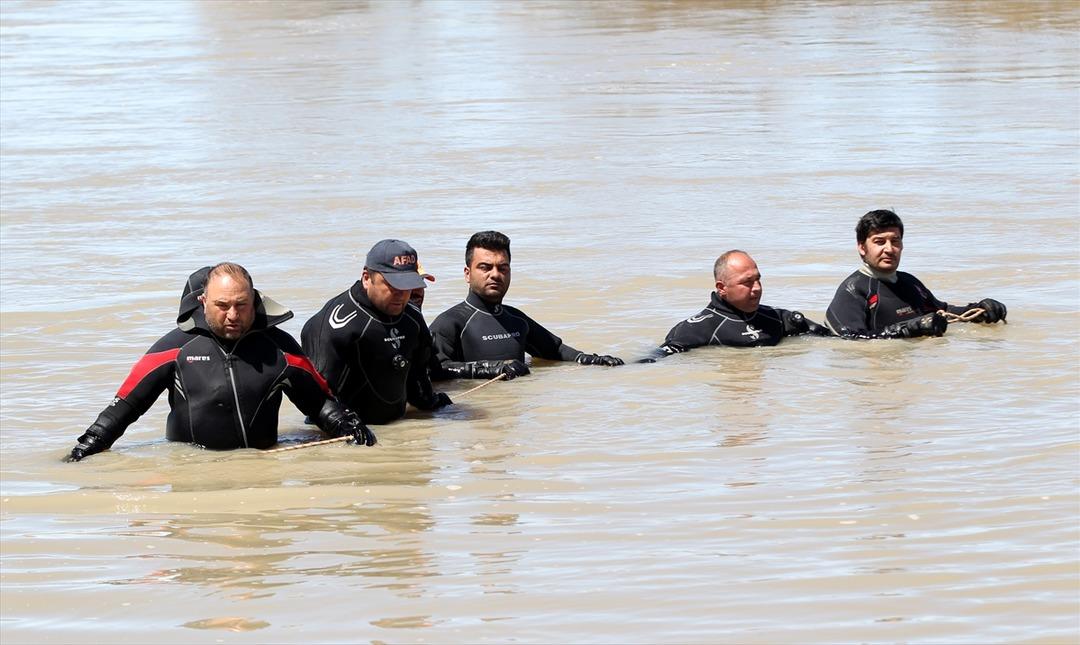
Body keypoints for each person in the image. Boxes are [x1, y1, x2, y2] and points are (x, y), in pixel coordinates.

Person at [64, 263, 375, 462]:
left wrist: (347, 425)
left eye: (241, 305)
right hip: (193, 471)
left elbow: (318, 402)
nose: (232, 315)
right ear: (203, 302)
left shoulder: (279, 347)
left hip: (262, 469)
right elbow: (125, 408)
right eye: (222, 305)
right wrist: (88, 446)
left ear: (254, 300)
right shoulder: (175, 347)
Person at [429, 230, 624, 380]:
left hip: (516, 418)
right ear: (467, 274)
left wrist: (592, 360)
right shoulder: (450, 323)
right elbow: (434, 369)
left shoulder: (516, 320)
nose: (495, 274)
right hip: (474, 419)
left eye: (502, 268)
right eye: (485, 267)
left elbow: (554, 351)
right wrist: (489, 369)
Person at [302, 239, 452, 423]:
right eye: (393, 284)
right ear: (367, 278)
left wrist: (431, 403)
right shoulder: (334, 324)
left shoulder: (412, 318)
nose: (401, 294)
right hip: (348, 434)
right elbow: (316, 399)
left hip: (402, 431)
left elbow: (418, 375)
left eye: (407, 285)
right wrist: (343, 426)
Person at [825, 209, 1007, 339]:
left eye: (895, 241)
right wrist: (907, 329)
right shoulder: (853, 290)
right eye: (879, 242)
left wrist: (978, 311)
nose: (889, 249)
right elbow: (848, 339)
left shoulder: (909, 282)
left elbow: (942, 312)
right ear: (862, 248)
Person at [644, 250, 832, 359]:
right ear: (722, 288)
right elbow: (656, 358)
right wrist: (621, 365)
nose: (757, 288)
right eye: (747, 282)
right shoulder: (697, 329)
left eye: (758, 280)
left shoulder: (778, 319)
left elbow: (833, 340)